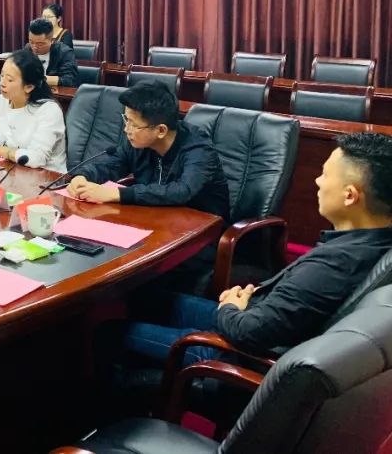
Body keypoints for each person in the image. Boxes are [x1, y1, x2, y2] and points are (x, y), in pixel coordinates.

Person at [111, 132, 392, 370]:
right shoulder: (369, 241)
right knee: (147, 298)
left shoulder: (335, 265)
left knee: (104, 330)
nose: (318, 181)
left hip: (232, 353)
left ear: (350, 195)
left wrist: (231, 308)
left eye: (326, 175)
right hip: (254, 314)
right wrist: (249, 298)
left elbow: (249, 332)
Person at [66, 80, 228, 220]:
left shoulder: (198, 148)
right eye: (126, 120)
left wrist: (116, 194)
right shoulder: (139, 142)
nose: (126, 129)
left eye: (134, 124)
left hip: (200, 228)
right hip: (155, 218)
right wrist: (82, 176)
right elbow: (111, 164)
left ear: (161, 130)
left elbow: (182, 190)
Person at [26, 17, 79, 88]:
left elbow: (70, 80)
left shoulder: (65, 53)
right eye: (31, 42)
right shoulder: (28, 48)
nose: (34, 47)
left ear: (52, 40)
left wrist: (38, 80)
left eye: (40, 44)